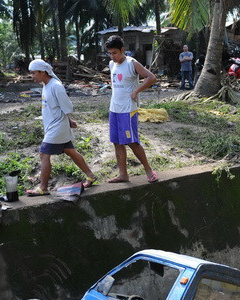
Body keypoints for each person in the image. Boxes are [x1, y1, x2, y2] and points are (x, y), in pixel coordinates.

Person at [25, 59, 97, 196]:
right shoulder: (46, 85)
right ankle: (90, 175)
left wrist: (68, 119)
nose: (32, 76)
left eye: (34, 73)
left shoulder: (55, 86)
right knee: (70, 151)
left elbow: (68, 106)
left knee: (44, 154)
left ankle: (43, 188)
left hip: (57, 127)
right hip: (56, 126)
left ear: (43, 72)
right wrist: (69, 120)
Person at [104, 35, 158, 184]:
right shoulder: (111, 64)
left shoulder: (131, 63)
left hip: (128, 110)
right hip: (114, 108)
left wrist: (136, 91)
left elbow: (151, 78)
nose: (112, 56)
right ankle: (123, 174)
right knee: (117, 142)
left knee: (132, 142)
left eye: (115, 52)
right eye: (110, 53)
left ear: (122, 50)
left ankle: (148, 170)